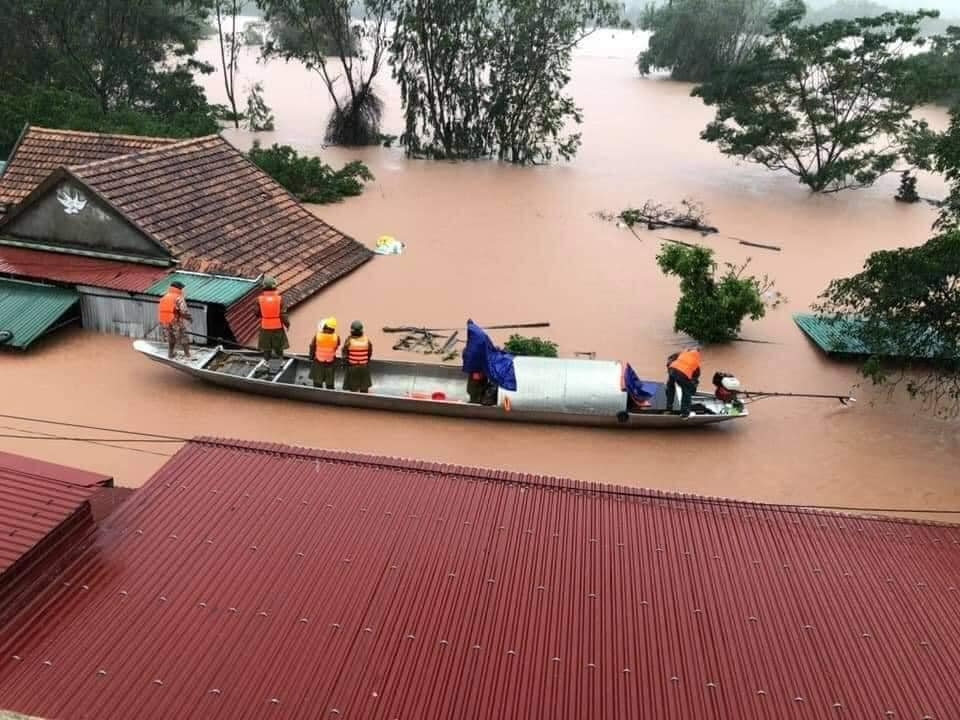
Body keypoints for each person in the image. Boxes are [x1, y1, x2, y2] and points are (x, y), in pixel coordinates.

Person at [254, 276, 289, 369]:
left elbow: (257, 314)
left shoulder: (259, 299)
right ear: (275, 286)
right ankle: (281, 361)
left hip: (265, 326)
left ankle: (266, 361)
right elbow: (283, 314)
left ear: (263, 287)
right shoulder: (280, 299)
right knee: (279, 345)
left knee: (266, 345)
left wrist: (265, 315)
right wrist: (287, 324)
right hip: (277, 326)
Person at [157, 280, 192, 359]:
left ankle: (170, 354)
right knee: (184, 336)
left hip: (164, 320)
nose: (183, 290)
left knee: (171, 337)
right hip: (174, 320)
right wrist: (189, 318)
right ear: (179, 288)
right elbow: (184, 311)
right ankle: (188, 355)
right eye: (182, 288)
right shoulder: (178, 297)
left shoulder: (165, 296)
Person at [665, 346, 702, 418]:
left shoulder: (683, 352)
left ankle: (668, 409)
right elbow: (695, 378)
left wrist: (669, 368)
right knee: (686, 392)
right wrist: (692, 388)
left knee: (670, 388)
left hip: (672, 369)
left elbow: (670, 359)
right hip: (682, 373)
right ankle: (685, 414)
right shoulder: (696, 361)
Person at [309, 317, 340, 389]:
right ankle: (330, 394)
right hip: (330, 362)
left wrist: (311, 357)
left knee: (317, 382)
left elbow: (312, 347)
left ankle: (317, 394)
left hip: (318, 362)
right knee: (330, 383)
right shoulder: (336, 337)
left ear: (324, 326)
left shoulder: (317, 336)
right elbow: (336, 347)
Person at [342, 320, 373, 393]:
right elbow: (369, 353)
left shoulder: (348, 340)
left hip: (352, 367)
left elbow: (345, 354)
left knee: (353, 388)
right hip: (364, 367)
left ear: (351, 331)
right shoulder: (367, 340)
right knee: (364, 387)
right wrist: (366, 361)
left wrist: (344, 365)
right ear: (362, 330)